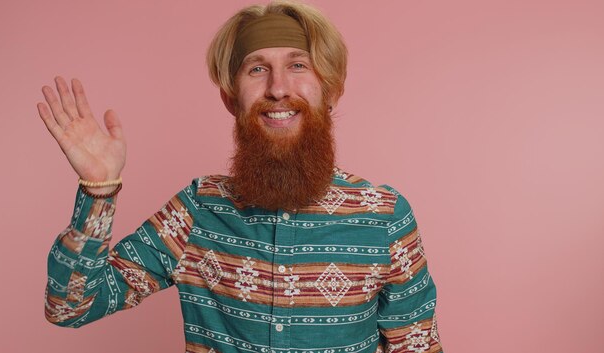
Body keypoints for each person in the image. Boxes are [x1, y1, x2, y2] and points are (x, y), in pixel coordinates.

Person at [38, 1, 444, 353]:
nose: (278, 88)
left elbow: (418, 345)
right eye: (257, 69)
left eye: (298, 65)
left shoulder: (384, 217)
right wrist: (99, 190)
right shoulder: (197, 209)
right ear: (231, 99)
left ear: (331, 90)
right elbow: (70, 307)